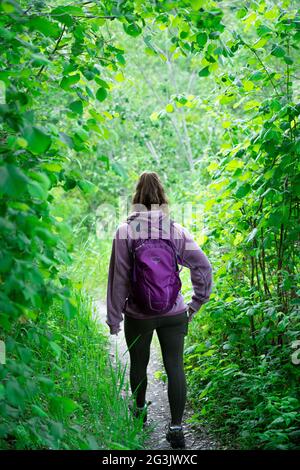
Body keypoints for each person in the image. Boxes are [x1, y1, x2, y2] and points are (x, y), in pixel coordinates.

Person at [106, 171, 213, 449]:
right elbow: (202, 266)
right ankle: (176, 427)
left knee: (138, 364)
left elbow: (118, 279)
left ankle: (139, 416)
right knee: (175, 366)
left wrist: (114, 318)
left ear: (136, 198)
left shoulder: (125, 231)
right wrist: (196, 302)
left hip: (138, 315)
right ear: (162, 197)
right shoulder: (175, 230)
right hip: (173, 313)